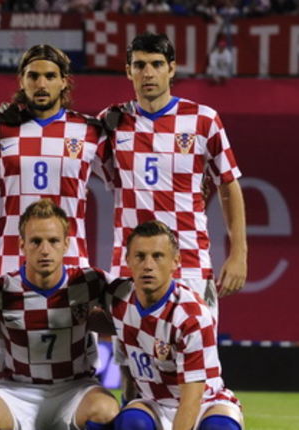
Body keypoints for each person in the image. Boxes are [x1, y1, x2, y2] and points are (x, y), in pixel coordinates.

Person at [0, 44, 104, 375]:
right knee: (5, 367)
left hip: (71, 264)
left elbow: (127, 179)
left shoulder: (90, 131)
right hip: (11, 261)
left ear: (64, 81)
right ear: (22, 80)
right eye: (33, 76)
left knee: (77, 367)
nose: (41, 84)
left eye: (49, 76)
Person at [99, 32, 247, 317]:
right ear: (128, 71)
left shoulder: (203, 120)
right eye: (140, 65)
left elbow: (229, 185)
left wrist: (239, 253)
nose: (148, 73)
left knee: (197, 347)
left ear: (171, 68)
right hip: (130, 269)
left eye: (156, 64)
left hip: (190, 265)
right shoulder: (111, 122)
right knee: (130, 348)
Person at [0, 199, 118, 430]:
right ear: (22, 245)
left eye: (53, 241)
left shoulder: (89, 282)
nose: (45, 250)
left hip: (75, 388)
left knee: (105, 412)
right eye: (36, 241)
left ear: (66, 244)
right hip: (17, 389)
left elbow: (130, 309)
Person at [105, 221, 243, 430]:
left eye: (157, 256)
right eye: (140, 256)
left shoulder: (191, 315)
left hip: (204, 402)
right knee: (132, 421)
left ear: (175, 262)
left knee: (220, 426)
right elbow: (93, 318)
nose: (148, 265)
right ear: (128, 260)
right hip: (154, 404)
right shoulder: (118, 296)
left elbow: (191, 400)